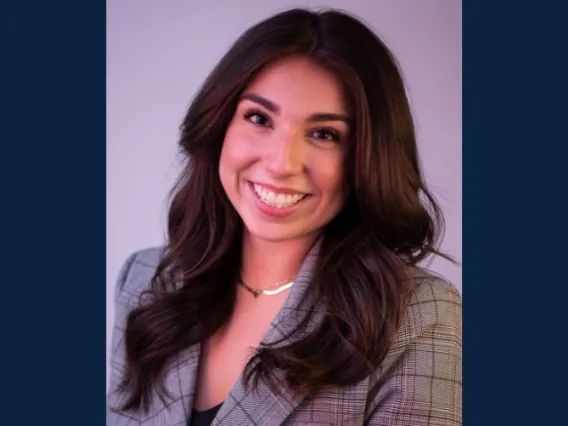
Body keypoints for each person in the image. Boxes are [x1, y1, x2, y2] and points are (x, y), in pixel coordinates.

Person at [107, 7, 462, 426]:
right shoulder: (146, 280)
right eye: (259, 118)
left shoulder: (417, 317)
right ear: (219, 124)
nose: (281, 163)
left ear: (368, 158)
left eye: (324, 134)